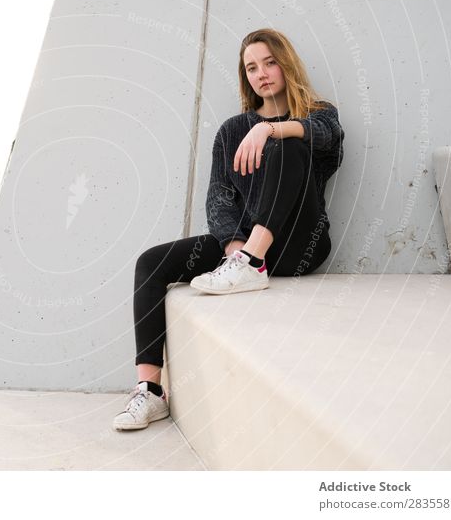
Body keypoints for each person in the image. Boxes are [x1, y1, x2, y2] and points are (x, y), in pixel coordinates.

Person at [113, 28, 344, 431]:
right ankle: (149, 392)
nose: (262, 74)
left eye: (270, 62)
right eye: (251, 67)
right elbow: (219, 198)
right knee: (151, 263)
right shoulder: (232, 130)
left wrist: (271, 128)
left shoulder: (318, 113)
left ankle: (251, 261)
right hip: (243, 251)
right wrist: (234, 249)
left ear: (286, 64)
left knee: (288, 145)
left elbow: (328, 138)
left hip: (298, 244)